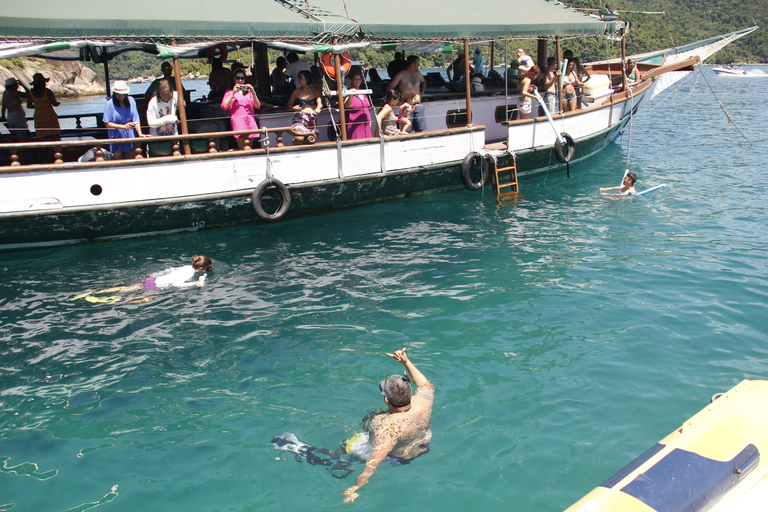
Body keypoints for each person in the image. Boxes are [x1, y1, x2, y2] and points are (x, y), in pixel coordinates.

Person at [342, 348, 434, 503]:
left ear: (387, 400)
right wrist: (406, 362)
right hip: (421, 446)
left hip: (397, 457)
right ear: (409, 391)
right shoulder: (423, 402)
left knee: (349, 444)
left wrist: (357, 486)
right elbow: (425, 385)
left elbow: (376, 459)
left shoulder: (388, 427)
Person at [89, 255, 212, 298]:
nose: (208, 270)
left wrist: (155, 274)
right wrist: (194, 284)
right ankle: (125, 300)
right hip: (156, 286)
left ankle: (102, 290)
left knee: (127, 288)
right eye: (207, 268)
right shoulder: (190, 274)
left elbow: (169, 270)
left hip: (154, 279)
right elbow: (176, 284)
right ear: (201, 268)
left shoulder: (186, 267)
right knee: (148, 299)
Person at [103, 80, 147, 159]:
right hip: (116, 136)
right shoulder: (109, 104)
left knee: (131, 161)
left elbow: (136, 119)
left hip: (130, 136)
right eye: (118, 94)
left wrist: (140, 133)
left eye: (123, 94)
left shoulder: (131, 100)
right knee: (117, 161)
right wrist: (124, 127)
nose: (121, 96)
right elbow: (107, 124)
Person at [222, 68, 261, 150]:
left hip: (250, 121)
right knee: (242, 147)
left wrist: (253, 91)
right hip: (238, 122)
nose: (240, 80)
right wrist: (233, 92)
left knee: (250, 147)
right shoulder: (229, 92)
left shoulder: (249, 92)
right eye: (237, 78)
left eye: (242, 78)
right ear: (234, 79)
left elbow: (257, 105)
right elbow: (224, 106)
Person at [387, 55, 427, 132]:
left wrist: (421, 93)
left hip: (418, 104)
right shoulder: (401, 75)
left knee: (420, 129)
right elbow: (389, 88)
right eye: (417, 63)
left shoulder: (418, 74)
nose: (419, 65)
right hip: (406, 106)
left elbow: (424, 81)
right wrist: (399, 103)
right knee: (406, 129)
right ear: (412, 64)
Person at [146, 80, 178, 157]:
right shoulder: (153, 102)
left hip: (173, 139)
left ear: (171, 91)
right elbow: (151, 123)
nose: (165, 96)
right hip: (157, 140)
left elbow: (182, 104)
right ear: (158, 92)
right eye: (162, 94)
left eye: (167, 93)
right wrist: (168, 119)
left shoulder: (176, 96)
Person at [27, 73, 60, 141]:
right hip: (49, 115)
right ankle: (55, 150)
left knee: (42, 137)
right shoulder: (47, 92)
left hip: (38, 116)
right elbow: (54, 104)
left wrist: (38, 106)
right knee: (54, 136)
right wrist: (57, 103)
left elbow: (29, 105)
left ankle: (44, 151)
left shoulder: (31, 93)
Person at [287, 69, 322, 135]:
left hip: (311, 117)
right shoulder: (296, 92)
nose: (298, 79)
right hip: (299, 117)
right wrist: (293, 108)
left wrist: (318, 109)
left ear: (307, 78)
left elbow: (320, 103)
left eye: (301, 77)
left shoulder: (316, 91)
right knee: (299, 135)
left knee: (311, 137)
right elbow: (289, 104)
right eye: (298, 77)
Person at [344, 72, 372, 139]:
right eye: (356, 79)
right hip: (354, 126)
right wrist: (351, 94)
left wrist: (370, 121)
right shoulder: (348, 92)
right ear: (351, 81)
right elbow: (347, 105)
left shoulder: (363, 93)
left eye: (359, 79)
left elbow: (367, 108)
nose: (358, 81)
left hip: (366, 125)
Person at [2, 77, 30, 143]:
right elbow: (29, 94)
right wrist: (23, 85)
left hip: (10, 116)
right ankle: (21, 153)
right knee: (22, 138)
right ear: (14, 86)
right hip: (17, 116)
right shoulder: (14, 93)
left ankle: (14, 151)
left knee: (16, 136)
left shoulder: (5, 93)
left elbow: (3, 106)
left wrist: (3, 116)